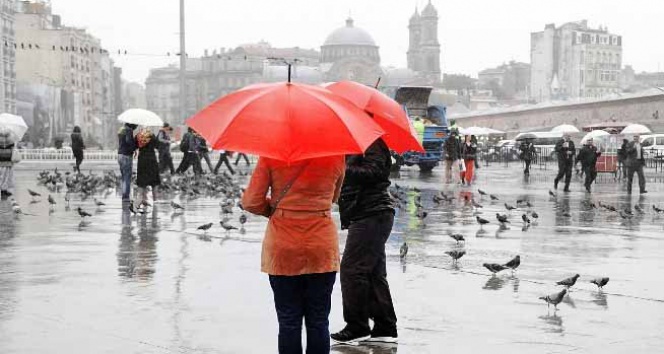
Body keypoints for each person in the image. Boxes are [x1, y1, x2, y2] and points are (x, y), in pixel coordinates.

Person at [242, 155, 345, 354]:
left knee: (288, 320)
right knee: (318, 320)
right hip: (321, 245)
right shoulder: (336, 157)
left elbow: (251, 202)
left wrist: (277, 209)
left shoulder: (272, 157)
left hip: (283, 245)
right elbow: (333, 197)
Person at [332, 138, 398, 344]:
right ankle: (385, 325)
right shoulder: (353, 144)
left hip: (372, 213)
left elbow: (376, 172)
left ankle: (357, 325)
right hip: (365, 213)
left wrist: (343, 168)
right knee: (374, 273)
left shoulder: (372, 142)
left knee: (353, 270)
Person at [135, 129, 161, 204]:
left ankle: (140, 199)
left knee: (141, 182)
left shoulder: (138, 136)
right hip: (151, 160)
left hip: (142, 160)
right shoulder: (151, 136)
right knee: (154, 181)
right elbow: (158, 146)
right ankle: (155, 200)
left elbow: (134, 146)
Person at [118, 123, 138, 203]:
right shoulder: (128, 130)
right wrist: (134, 147)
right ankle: (126, 196)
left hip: (120, 155)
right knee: (127, 177)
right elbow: (128, 141)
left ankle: (124, 195)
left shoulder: (121, 129)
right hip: (126, 155)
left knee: (123, 177)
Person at [0, 129, 20, 199]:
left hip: (4, 159)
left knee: (4, 176)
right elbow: (12, 145)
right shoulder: (10, 137)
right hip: (7, 159)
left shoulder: (9, 138)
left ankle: (4, 190)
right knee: (6, 176)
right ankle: (3, 190)